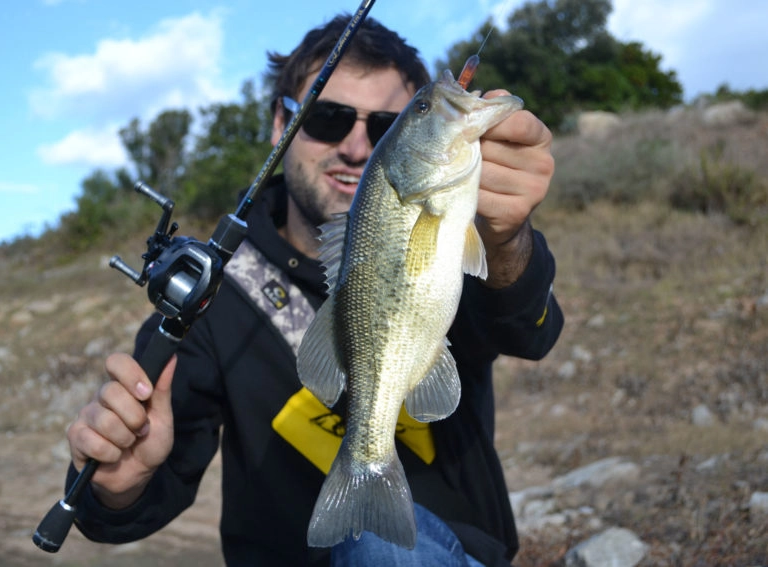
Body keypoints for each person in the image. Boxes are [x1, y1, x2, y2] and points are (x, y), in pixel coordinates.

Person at [65, 14, 563, 567]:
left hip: (454, 551)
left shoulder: (458, 233)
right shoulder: (215, 295)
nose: (355, 147)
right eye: (328, 118)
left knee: (380, 551)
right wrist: (119, 480)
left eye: (386, 126)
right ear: (282, 123)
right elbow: (121, 507)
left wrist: (509, 241)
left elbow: (528, 330)